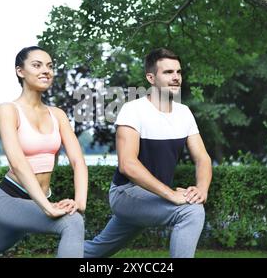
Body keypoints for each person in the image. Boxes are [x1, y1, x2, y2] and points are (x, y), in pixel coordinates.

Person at [0, 46, 88, 258]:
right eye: (37, 65)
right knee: (72, 222)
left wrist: (80, 201)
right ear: (20, 71)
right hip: (8, 199)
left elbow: (78, 161)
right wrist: (47, 207)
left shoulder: (58, 115)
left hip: (39, 199)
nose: (46, 70)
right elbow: (17, 162)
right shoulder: (8, 110)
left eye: (50, 66)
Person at [84, 48, 212, 258]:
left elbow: (202, 158)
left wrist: (202, 189)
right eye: (168, 72)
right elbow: (128, 164)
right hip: (126, 194)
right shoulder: (133, 110)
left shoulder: (184, 113)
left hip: (152, 196)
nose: (176, 78)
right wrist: (171, 195)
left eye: (178, 72)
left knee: (95, 251)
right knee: (191, 212)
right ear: (151, 77)